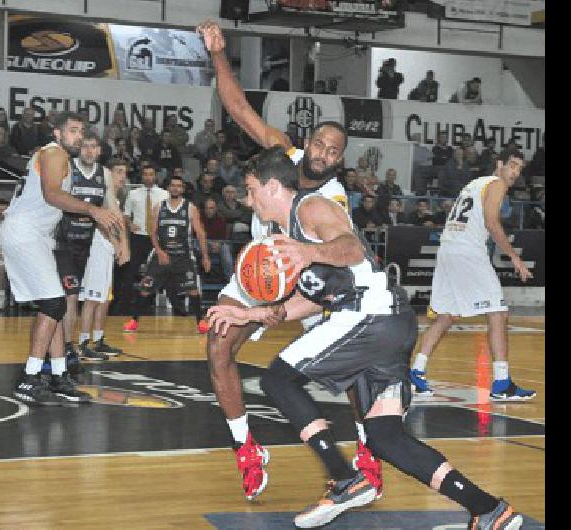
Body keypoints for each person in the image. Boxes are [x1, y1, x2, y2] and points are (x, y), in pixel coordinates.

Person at [207, 146, 525, 530]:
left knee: (277, 378)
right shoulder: (287, 232)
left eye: (251, 188)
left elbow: (351, 248)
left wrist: (309, 253)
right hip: (387, 325)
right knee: (385, 437)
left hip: (368, 316)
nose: (248, 198)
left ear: (273, 186)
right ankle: (488, 508)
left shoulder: (311, 209)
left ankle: (344, 479)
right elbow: (308, 299)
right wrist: (251, 314)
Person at [197, 19, 382, 505]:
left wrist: (308, 259)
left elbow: (344, 252)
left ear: (339, 160)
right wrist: (219, 52)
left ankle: (365, 454)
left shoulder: (332, 198)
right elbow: (237, 107)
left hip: (307, 282)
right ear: (310, 141)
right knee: (218, 349)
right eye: (320, 144)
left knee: (349, 373)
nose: (322, 154)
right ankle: (246, 448)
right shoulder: (283, 154)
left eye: (333, 151)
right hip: (259, 272)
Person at [0, 111, 121, 406]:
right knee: (54, 303)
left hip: (38, 235)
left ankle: (57, 375)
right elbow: (52, 195)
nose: (78, 136)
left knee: (54, 303)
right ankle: (29, 378)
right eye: (73, 131)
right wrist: (92, 210)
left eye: (82, 131)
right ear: (57, 133)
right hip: (24, 232)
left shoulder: (61, 158)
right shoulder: (53, 154)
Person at [410, 151, 536, 402]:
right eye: (512, 166)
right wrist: (513, 255)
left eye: (519, 169)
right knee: (498, 313)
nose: (515, 173)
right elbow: (491, 222)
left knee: (447, 315)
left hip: (448, 248)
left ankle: (416, 371)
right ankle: (501, 382)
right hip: (467, 251)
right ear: (499, 164)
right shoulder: (496, 184)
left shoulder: (473, 184)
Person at [54, 133, 128, 369]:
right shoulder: (67, 168)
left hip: (87, 243)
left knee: (92, 296)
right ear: (78, 149)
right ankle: (67, 346)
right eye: (84, 146)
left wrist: (122, 242)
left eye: (93, 147)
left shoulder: (103, 174)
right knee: (71, 296)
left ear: (99, 151)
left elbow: (113, 209)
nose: (88, 150)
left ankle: (74, 344)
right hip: (62, 242)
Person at [122, 176, 211, 333]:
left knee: (193, 290)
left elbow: (201, 233)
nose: (176, 188)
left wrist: (205, 256)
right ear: (168, 188)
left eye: (179, 186)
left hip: (183, 256)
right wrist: (159, 251)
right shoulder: (159, 207)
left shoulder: (190, 208)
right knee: (145, 288)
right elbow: (152, 232)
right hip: (162, 254)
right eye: (173, 185)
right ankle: (134, 320)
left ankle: (200, 322)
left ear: (183, 189)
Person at [78, 159, 131, 359]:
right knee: (92, 299)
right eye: (118, 171)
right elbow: (101, 224)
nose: (122, 176)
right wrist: (119, 245)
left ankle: (98, 340)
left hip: (108, 251)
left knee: (105, 299)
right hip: (97, 251)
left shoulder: (116, 200)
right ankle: (83, 342)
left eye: (124, 172)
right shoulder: (101, 196)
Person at [117, 164, 169, 315]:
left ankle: (148, 304)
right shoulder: (133, 194)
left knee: (154, 272)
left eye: (151, 174)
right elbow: (126, 214)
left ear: (155, 176)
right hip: (138, 237)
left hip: (156, 237)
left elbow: (166, 216)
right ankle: (124, 307)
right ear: (142, 176)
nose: (148, 177)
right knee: (130, 271)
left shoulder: (164, 194)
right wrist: (130, 223)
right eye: (145, 174)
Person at [201, 197, 233, 279]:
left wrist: (219, 244)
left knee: (226, 248)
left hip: (219, 243)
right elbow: (196, 235)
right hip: (203, 244)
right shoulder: (199, 219)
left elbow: (224, 237)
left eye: (211, 208)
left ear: (215, 209)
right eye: (207, 208)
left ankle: (229, 279)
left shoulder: (221, 219)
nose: (209, 210)